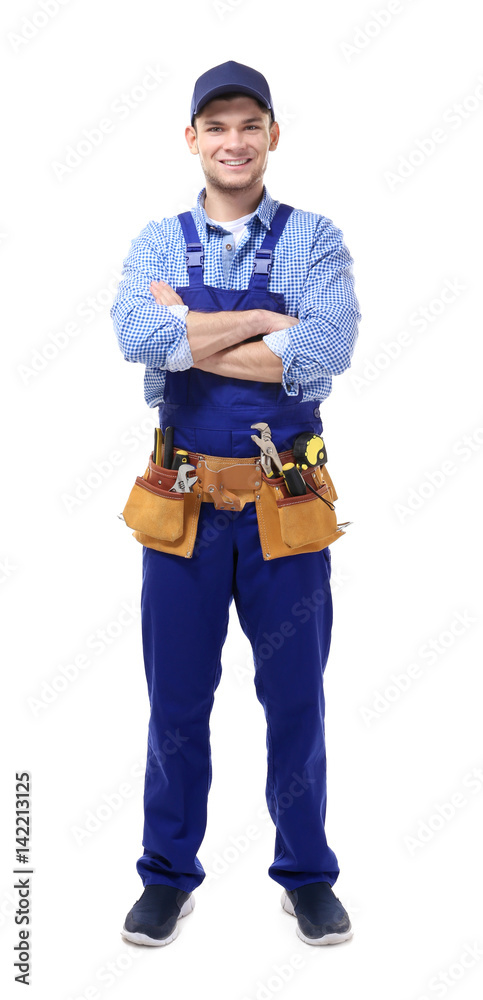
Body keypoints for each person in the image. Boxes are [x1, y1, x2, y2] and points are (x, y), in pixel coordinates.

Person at [111, 59, 361, 948]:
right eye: (215, 126)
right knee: (175, 701)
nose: (233, 141)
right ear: (192, 139)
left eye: (248, 124)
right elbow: (136, 334)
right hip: (179, 504)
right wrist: (265, 324)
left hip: (282, 504)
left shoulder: (315, 238)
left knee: (295, 697)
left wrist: (192, 335)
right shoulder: (156, 239)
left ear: (271, 135)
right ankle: (167, 875)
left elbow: (325, 351)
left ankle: (306, 875)